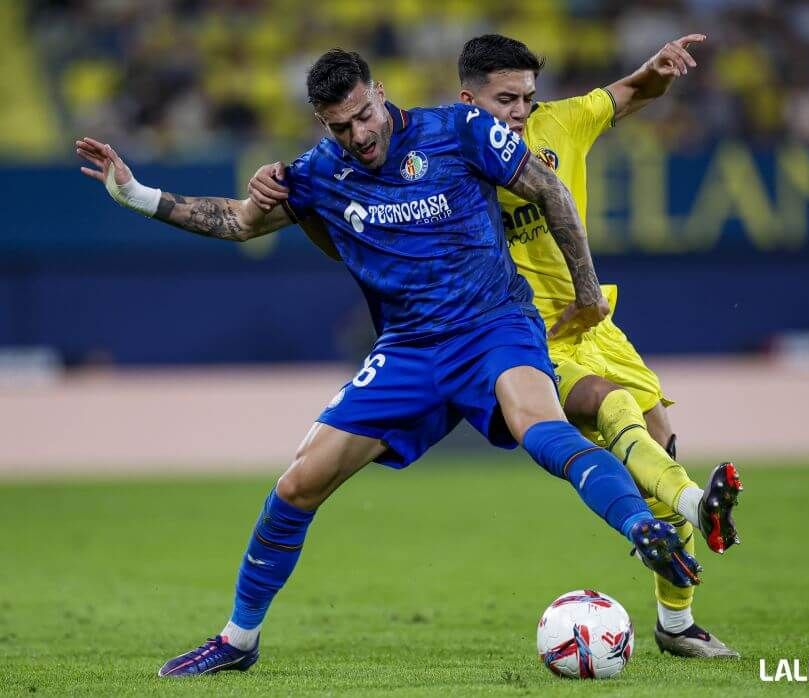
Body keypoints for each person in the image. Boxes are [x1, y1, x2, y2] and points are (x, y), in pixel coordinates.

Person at [75, 48, 700, 678]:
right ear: (323, 123)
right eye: (340, 127)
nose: (359, 135)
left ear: (381, 92)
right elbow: (238, 222)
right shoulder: (318, 172)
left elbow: (549, 190)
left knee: (537, 423)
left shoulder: (458, 131)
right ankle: (239, 641)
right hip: (408, 351)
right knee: (297, 483)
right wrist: (133, 193)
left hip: (494, 325)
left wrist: (588, 291)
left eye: (365, 116)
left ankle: (644, 529)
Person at [249, 38, 743, 659]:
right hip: (522, 327)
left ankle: (677, 621)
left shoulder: (561, 122)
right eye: (504, 99)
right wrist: (283, 186)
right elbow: (328, 213)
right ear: (469, 99)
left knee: (661, 440)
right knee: (607, 407)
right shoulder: (458, 144)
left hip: (597, 323)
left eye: (526, 98)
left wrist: (657, 68)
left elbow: (630, 94)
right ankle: (695, 503)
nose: (517, 112)